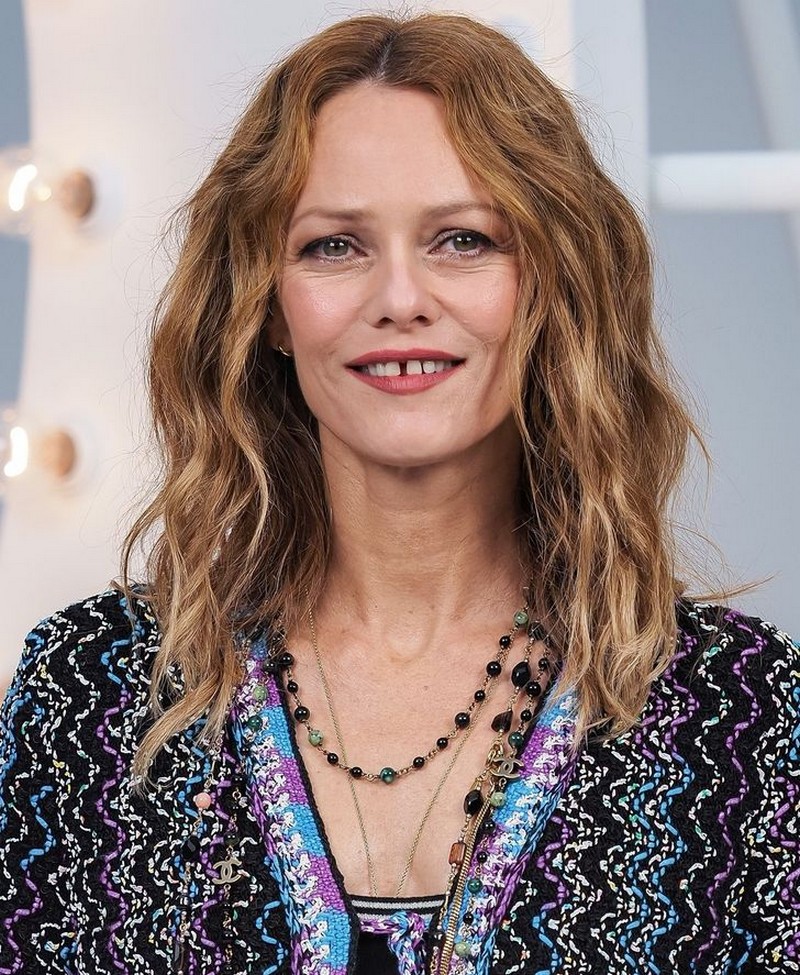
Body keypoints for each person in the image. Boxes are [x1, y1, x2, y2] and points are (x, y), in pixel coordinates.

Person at [1, 11, 798, 975]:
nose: (400, 298)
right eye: (334, 247)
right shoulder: (92, 692)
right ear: (269, 308)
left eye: (463, 239)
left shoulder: (739, 713)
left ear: (549, 288)